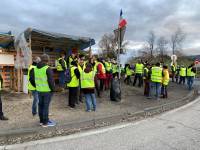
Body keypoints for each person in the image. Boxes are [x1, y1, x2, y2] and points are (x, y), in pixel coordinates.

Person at [30, 54, 56, 127]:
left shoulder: (35, 68)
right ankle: (45, 122)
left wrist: (36, 86)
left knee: (40, 105)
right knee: (45, 106)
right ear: (47, 60)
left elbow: (31, 79)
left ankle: (41, 121)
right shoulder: (47, 68)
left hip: (39, 90)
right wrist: (53, 90)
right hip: (47, 91)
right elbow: (51, 81)